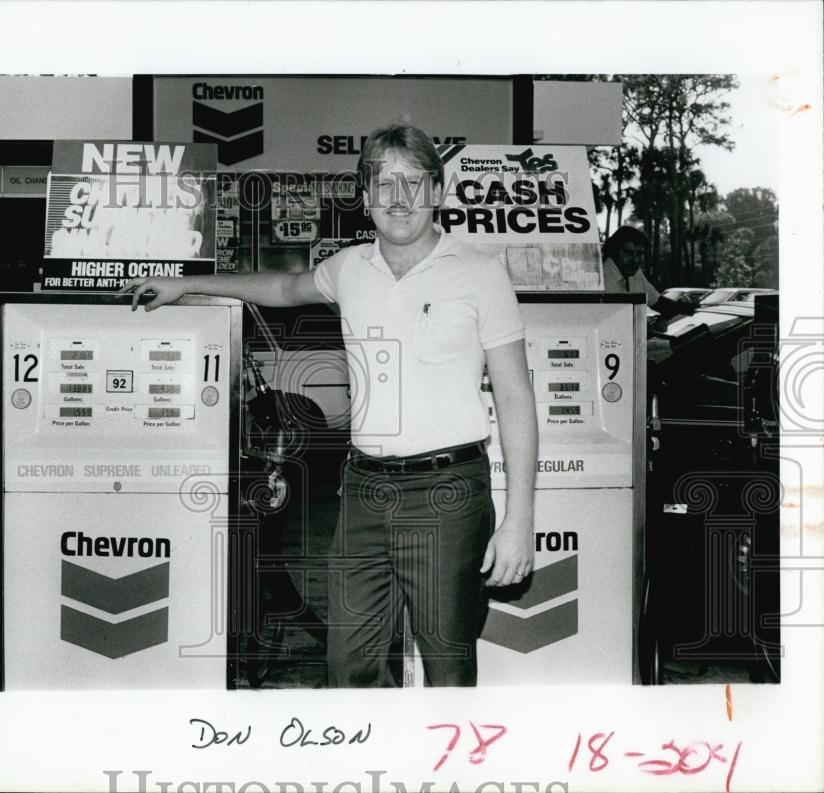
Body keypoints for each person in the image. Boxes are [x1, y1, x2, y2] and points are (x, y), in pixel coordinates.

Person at [119, 123, 537, 688]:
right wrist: (186, 287)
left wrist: (519, 519)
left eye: (414, 183)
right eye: (385, 184)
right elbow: (286, 288)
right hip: (364, 492)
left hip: (448, 494)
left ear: (437, 193)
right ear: (366, 198)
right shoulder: (349, 268)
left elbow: (514, 397)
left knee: (447, 664)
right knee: (349, 665)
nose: (399, 199)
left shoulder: (481, 274)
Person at [601, 226, 660, 306]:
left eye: (639, 254)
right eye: (628, 253)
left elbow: (658, 302)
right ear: (613, 251)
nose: (635, 260)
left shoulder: (636, 273)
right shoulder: (601, 279)